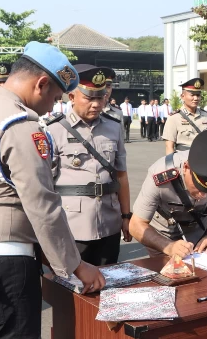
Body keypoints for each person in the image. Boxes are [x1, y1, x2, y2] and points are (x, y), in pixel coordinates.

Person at [0, 41, 105, 339]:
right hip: (4, 267)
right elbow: (43, 206)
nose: (53, 106)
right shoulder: (20, 124)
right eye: (56, 96)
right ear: (42, 83)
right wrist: (76, 265)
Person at [48, 65, 132, 266]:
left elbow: (121, 176)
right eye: (89, 98)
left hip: (109, 223)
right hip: (72, 226)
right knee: (72, 288)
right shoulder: (54, 130)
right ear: (72, 97)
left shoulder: (113, 127)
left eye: (100, 97)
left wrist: (126, 216)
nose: (96, 104)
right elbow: (44, 184)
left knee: (108, 282)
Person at [130, 129, 207, 257]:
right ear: (186, 168)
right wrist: (168, 246)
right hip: (163, 237)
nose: (203, 195)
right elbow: (136, 224)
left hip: (200, 234)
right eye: (199, 188)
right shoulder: (160, 173)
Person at [162, 78, 207, 154]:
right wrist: (171, 165)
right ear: (182, 96)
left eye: (198, 95)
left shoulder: (206, 116)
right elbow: (169, 147)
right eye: (192, 95)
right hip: (184, 160)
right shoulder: (174, 118)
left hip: (204, 159)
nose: (195, 98)